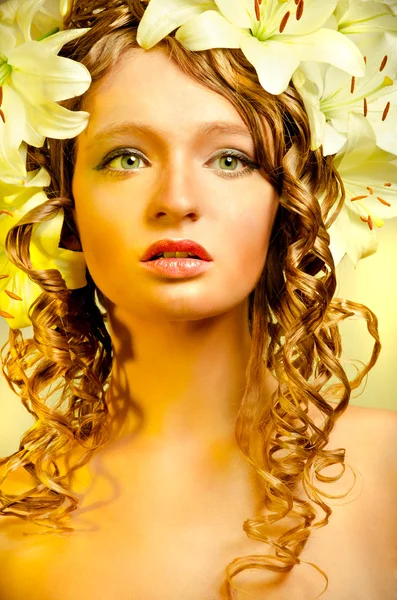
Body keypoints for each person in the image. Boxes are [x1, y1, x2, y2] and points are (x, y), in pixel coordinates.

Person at [0, 0, 396, 598]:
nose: (177, 199)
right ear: (65, 209)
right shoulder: (11, 519)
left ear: (289, 204)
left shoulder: (392, 468)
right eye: (126, 158)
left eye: (230, 159)